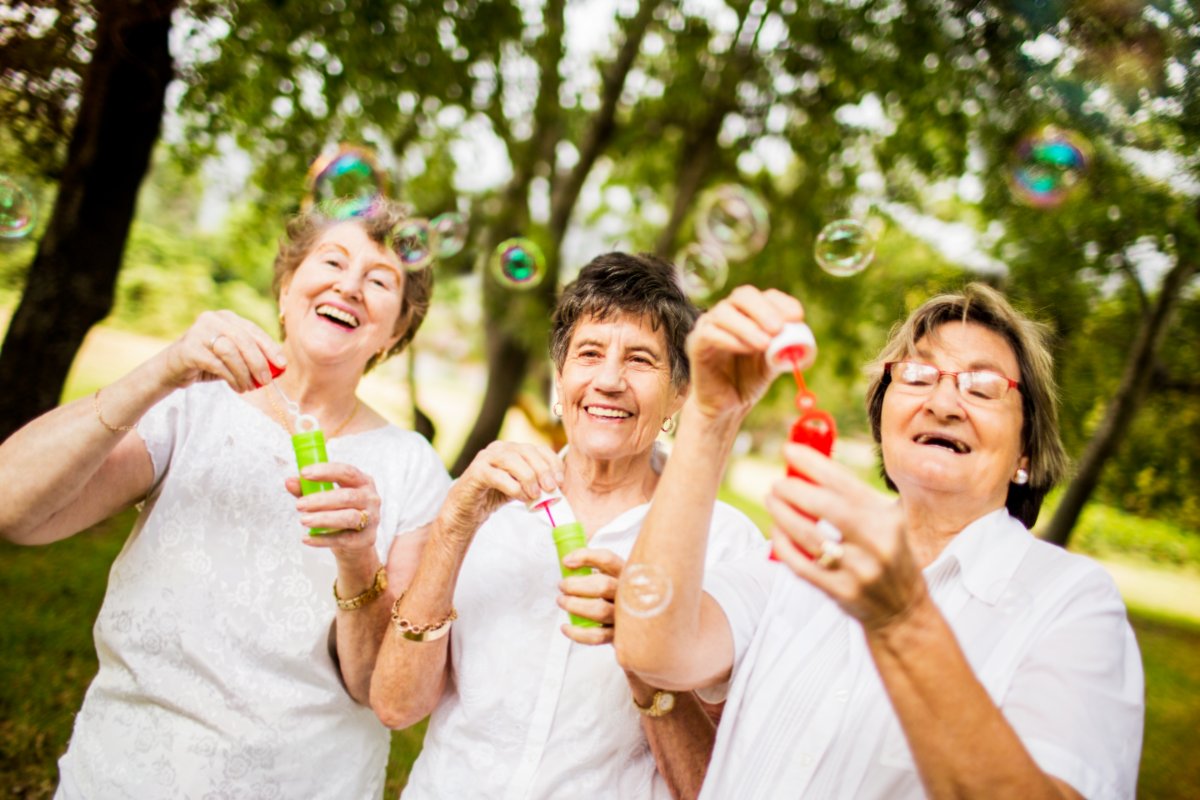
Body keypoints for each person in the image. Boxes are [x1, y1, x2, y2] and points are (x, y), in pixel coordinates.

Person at [615, 284, 1144, 799]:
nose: (943, 402)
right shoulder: (807, 554)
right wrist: (710, 418)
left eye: (982, 386)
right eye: (917, 375)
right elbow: (651, 649)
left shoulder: (1073, 601)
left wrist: (903, 621)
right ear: (882, 415)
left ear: (1026, 451)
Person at [0, 202, 452, 799]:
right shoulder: (192, 402)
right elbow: (14, 508)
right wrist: (161, 371)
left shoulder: (414, 468)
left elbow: (380, 689)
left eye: (379, 280)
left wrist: (357, 557)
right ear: (286, 289)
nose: (349, 286)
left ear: (396, 331)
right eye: (332, 261)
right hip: (125, 774)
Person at [370, 252, 767, 799]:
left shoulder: (726, 545)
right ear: (560, 381)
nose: (609, 380)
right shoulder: (487, 507)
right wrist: (453, 528)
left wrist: (645, 654)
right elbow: (396, 707)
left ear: (680, 394)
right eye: (590, 353)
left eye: (640, 360)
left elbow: (711, 784)